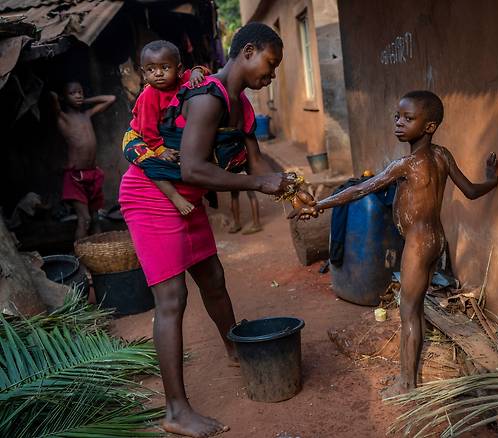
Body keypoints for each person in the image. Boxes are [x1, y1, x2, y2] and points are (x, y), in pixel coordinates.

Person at [119, 23, 313, 437]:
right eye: (270, 62)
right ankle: (175, 411)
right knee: (172, 298)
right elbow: (193, 168)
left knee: (214, 279)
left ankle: (235, 349)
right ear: (246, 51)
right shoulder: (208, 97)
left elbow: (258, 162)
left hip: (185, 196)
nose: (272, 74)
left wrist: (294, 192)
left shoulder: (239, 103)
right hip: (153, 194)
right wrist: (259, 185)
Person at [290, 90, 498, 396]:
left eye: (408, 118)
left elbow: (360, 189)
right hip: (435, 238)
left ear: (429, 126)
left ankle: (408, 384)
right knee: (414, 307)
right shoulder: (443, 155)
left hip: (417, 243)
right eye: (397, 117)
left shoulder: (407, 164)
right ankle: (409, 375)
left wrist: (318, 205)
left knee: (409, 311)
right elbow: (469, 190)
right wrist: (491, 181)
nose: (399, 123)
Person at [123, 40, 210, 216]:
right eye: (151, 69)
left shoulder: (182, 80)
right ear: (143, 73)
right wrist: (159, 149)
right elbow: (147, 128)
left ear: (178, 70)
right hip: (137, 138)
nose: (158, 74)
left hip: (158, 133)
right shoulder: (149, 94)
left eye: (164, 67)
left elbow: (203, 71)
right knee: (151, 163)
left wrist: (196, 72)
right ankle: (174, 197)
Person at [51, 82, 115, 240]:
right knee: (85, 220)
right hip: (75, 177)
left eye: (80, 92)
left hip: (92, 174)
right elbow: (52, 96)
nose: (78, 95)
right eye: (73, 93)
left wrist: (83, 101)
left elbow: (111, 99)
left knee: (95, 219)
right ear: (64, 98)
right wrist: (62, 99)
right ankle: (81, 261)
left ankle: (100, 257)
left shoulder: (86, 115)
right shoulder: (62, 118)